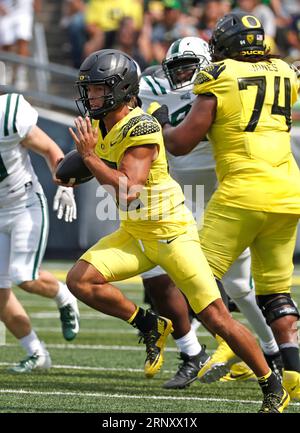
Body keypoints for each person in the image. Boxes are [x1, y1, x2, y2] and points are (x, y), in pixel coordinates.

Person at [66, 48, 288, 413]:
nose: (91, 97)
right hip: (136, 234)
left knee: (216, 316)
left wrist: (89, 159)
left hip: (171, 235)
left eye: (99, 89)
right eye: (89, 90)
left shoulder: (142, 126)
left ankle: (271, 383)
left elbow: (127, 190)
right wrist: (71, 172)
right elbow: (86, 168)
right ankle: (150, 323)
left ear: (122, 89)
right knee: (80, 281)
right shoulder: (104, 124)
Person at [153, 12, 300, 403]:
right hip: (288, 192)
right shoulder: (286, 72)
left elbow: (182, 142)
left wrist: (162, 125)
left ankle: (231, 345)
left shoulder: (217, 76)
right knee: (274, 291)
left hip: (241, 192)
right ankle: (292, 369)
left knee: (195, 276)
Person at [0, 92, 80, 373]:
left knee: (24, 276)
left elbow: (48, 148)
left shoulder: (7, 116)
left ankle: (64, 296)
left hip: (24, 205)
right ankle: (36, 353)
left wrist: (65, 184)